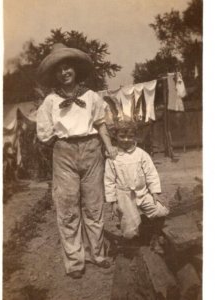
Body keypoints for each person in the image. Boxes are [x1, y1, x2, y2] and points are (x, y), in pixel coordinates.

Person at [36, 43, 117, 279]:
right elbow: (44, 133)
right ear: (55, 74)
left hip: (92, 150)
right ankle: (75, 261)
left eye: (68, 67)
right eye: (59, 69)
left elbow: (101, 123)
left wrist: (109, 146)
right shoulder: (50, 101)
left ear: (75, 70)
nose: (64, 73)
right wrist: (62, 147)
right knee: (68, 207)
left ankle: (98, 254)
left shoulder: (91, 96)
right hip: (64, 153)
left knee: (94, 204)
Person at [104, 121, 169, 241]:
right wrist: (113, 202)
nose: (126, 140)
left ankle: (152, 233)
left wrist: (155, 192)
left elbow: (151, 173)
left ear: (135, 136)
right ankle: (133, 244)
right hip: (125, 196)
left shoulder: (141, 154)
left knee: (161, 210)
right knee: (130, 231)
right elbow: (109, 181)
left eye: (130, 136)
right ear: (115, 136)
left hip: (142, 192)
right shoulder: (113, 157)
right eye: (122, 136)